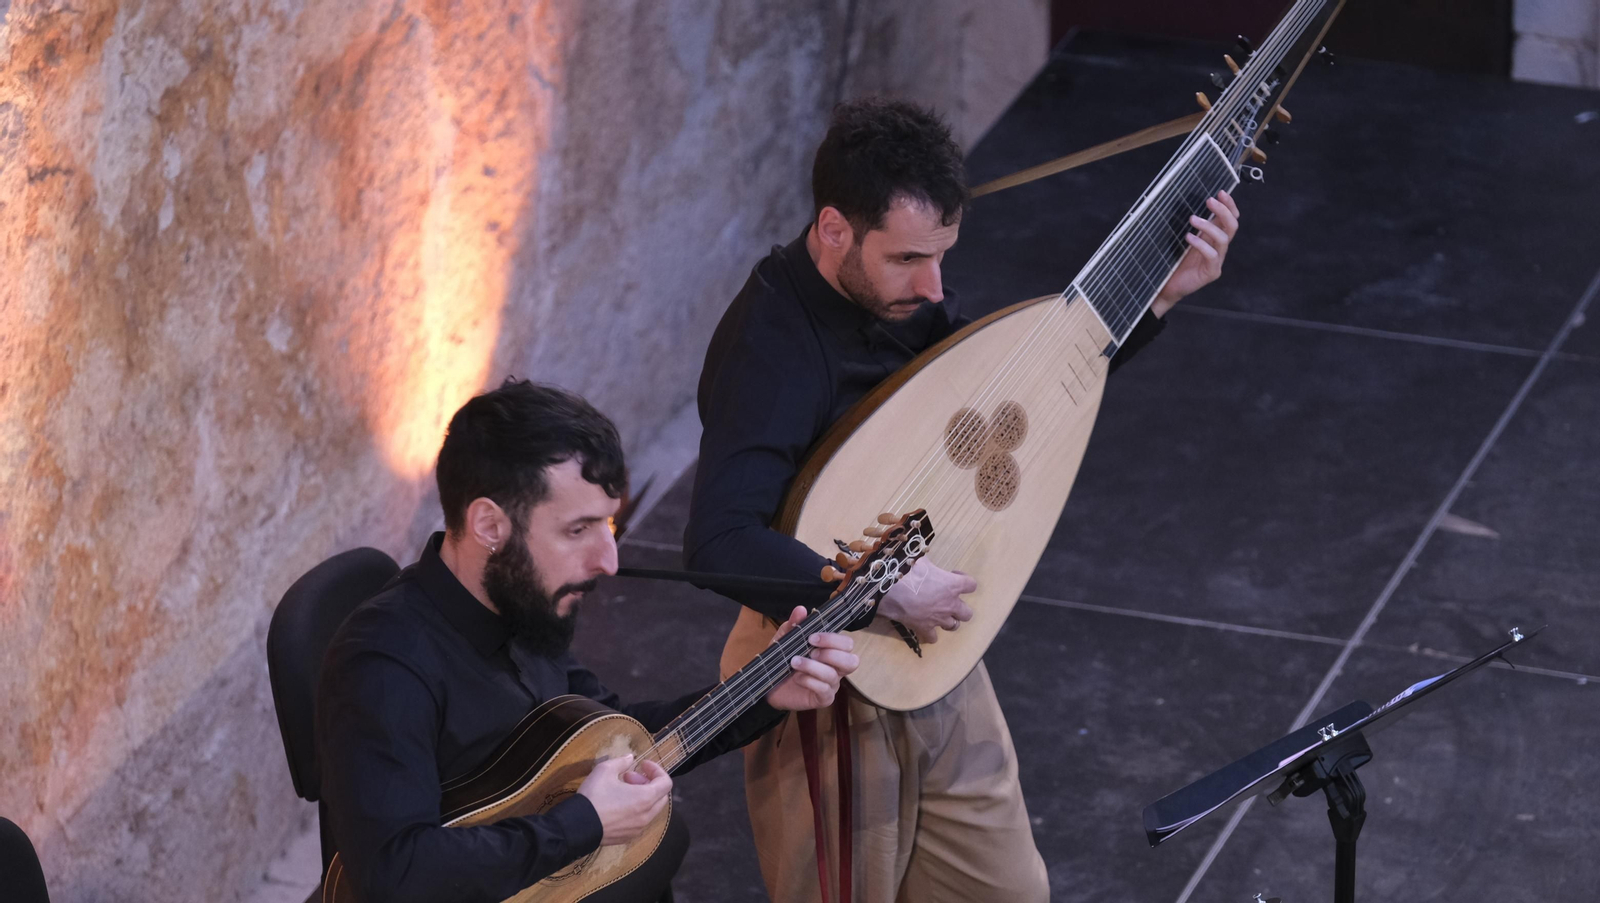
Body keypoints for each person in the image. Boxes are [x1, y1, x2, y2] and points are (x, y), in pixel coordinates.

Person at [685, 98, 1240, 902]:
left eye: (943, 254)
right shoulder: (770, 348)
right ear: (834, 228)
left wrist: (1159, 300)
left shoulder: (905, 294)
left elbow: (996, 413)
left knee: (1008, 891)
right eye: (909, 257)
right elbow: (717, 540)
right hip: (819, 671)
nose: (934, 283)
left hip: (934, 649)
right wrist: (882, 588)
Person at [316, 380, 859, 903]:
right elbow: (396, 874)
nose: (609, 560)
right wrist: (584, 823)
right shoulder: (384, 664)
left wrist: (763, 692)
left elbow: (615, 734)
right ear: (489, 525)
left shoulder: (522, 603)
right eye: (578, 530)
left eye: (609, 526)